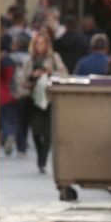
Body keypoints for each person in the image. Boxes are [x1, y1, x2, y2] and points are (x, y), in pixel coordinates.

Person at [14, 29, 67, 173]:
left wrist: (50, 73)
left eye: (42, 43)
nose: (40, 46)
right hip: (34, 98)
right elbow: (21, 80)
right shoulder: (30, 60)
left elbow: (64, 75)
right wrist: (33, 76)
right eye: (37, 43)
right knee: (36, 131)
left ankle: (43, 160)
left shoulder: (54, 58)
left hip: (50, 98)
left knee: (48, 130)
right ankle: (40, 156)